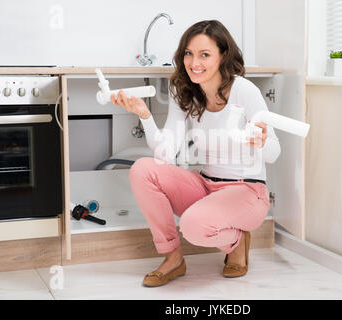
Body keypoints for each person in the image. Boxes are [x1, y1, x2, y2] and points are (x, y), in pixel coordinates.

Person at [111, 20, 281, 287]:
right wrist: (145, 116)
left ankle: (236, 241)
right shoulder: (185, 92)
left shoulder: (244, 90)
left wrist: (260, 141)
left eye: (204, 54)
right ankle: (173, 259)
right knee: (143, 169)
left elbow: (274, 152)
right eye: (189, 53)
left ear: (223, 56)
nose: (194, 62)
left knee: (192, 227)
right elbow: (165, 153)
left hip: (247, 190)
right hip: (205, 184)